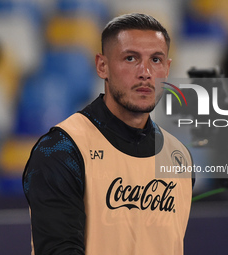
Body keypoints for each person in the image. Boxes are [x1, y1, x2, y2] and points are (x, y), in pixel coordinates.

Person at [23, 13, 195, 255]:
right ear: (102, 66)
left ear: (167, 69)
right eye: (131, 58)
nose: (145, 72)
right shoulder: (62, 149)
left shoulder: (179, 157)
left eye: (156, 60)